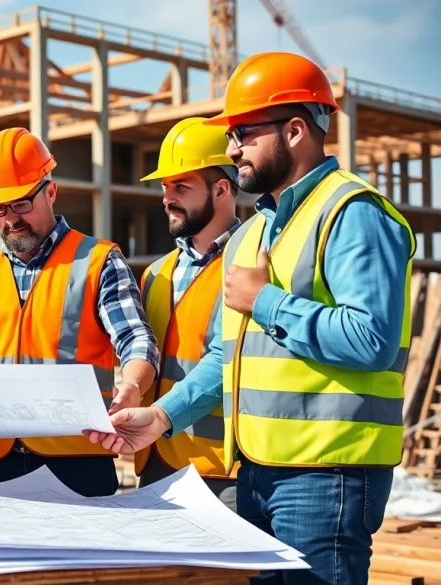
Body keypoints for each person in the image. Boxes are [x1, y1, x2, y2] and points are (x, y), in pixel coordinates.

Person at [84, 51, 414, 584]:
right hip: (259, 472)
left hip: (328, 475)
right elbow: (226, 357)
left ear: (295, 130)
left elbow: (370, 338)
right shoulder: (254, 232)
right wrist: (163, 417)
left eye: (244, 133)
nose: (233, 149)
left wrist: (266, 301)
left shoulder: (353, 212)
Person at [0, 127, 160, 497]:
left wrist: (131, 387)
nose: (11, 219)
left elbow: (135, 338)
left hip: (77, 462)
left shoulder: (98, 261)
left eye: (22, 203)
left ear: (50, 191)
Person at [134, 117, 241, 510]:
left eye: (181, 186)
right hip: (153, 463)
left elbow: (227, 360)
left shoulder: (248, 262)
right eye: (165, 187)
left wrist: (164, 415)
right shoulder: (156, 274)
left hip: (221, 471)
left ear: (222, 189)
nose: (167, 197)